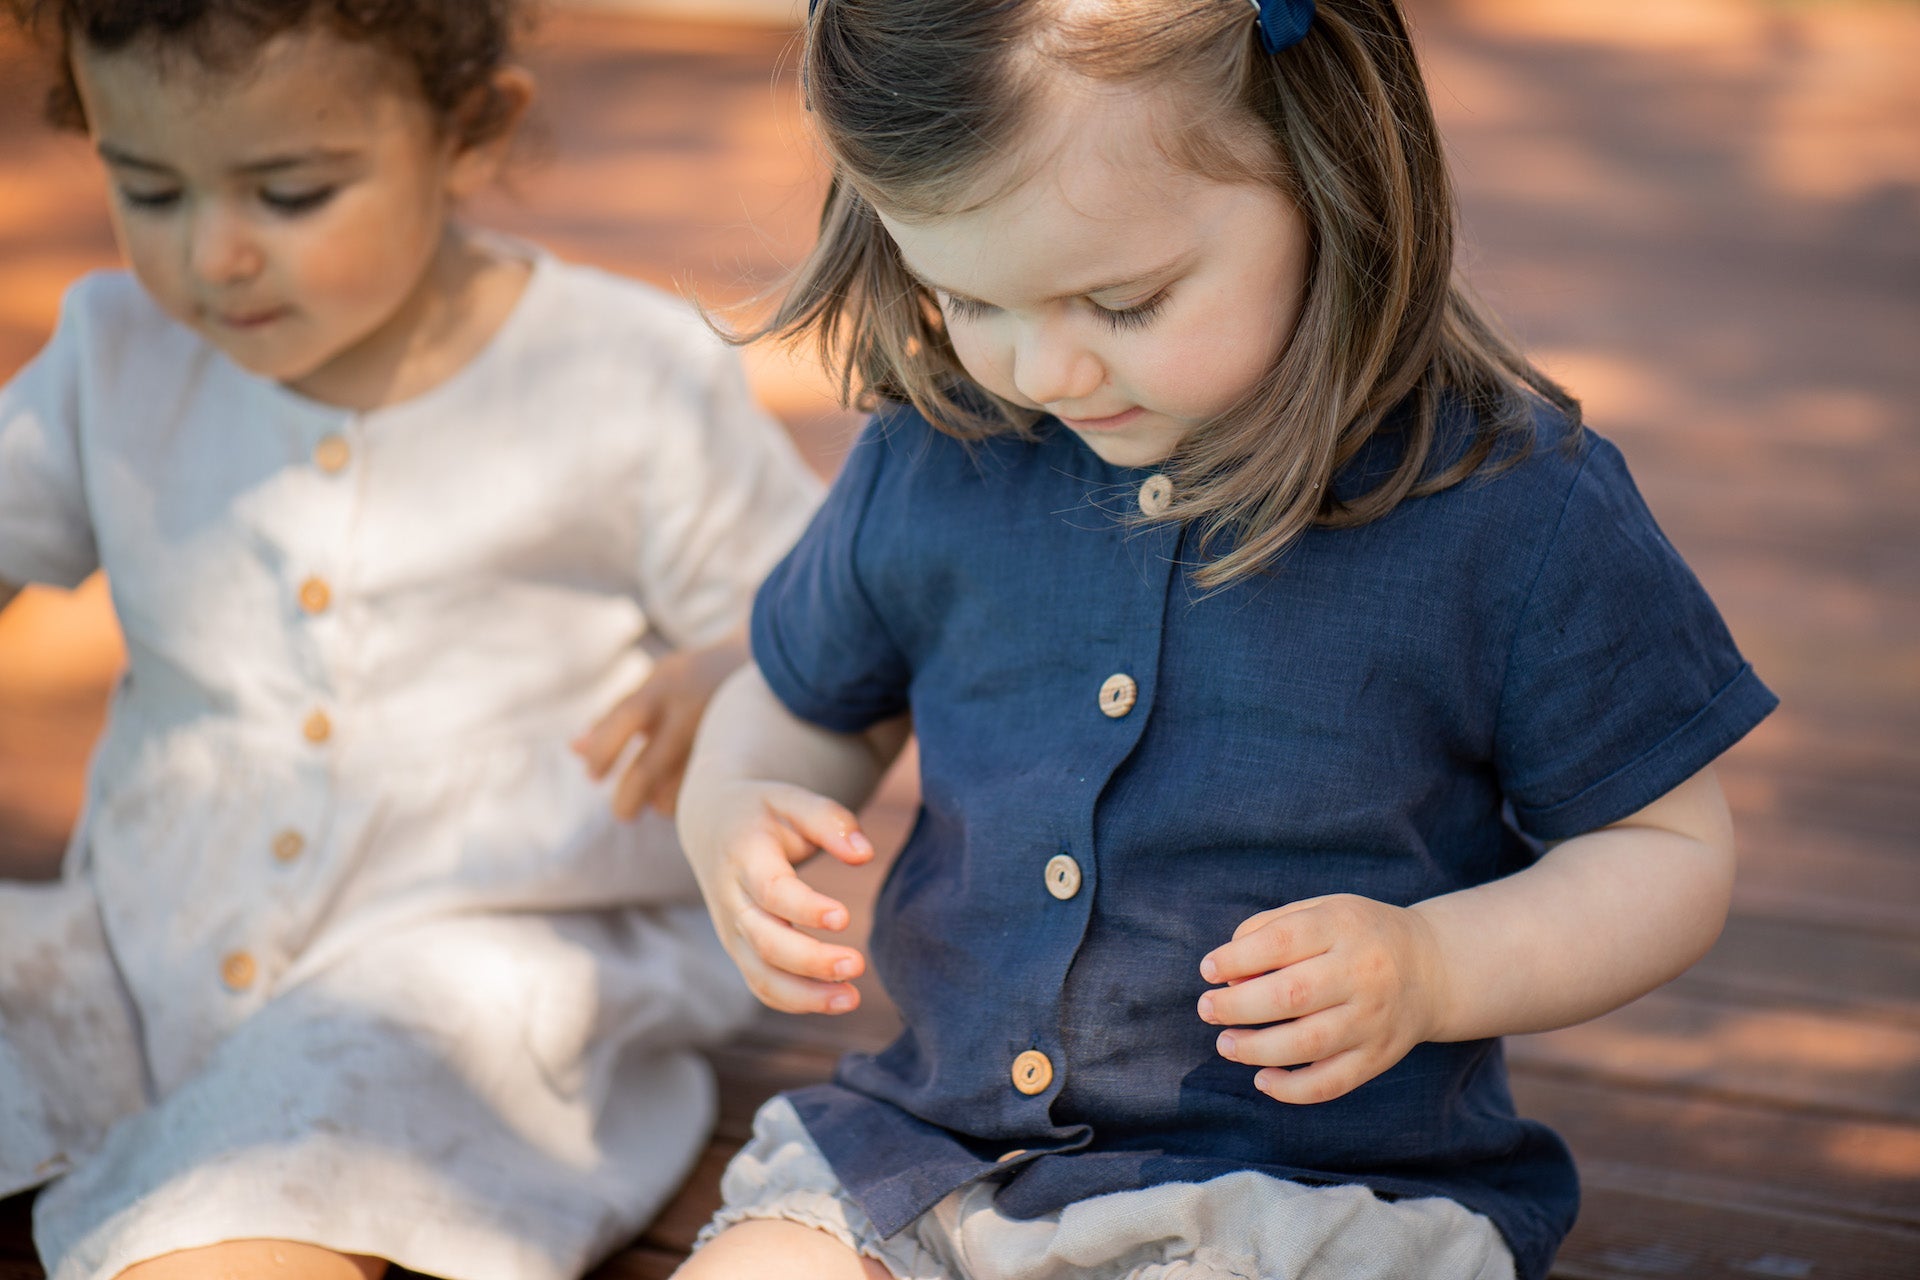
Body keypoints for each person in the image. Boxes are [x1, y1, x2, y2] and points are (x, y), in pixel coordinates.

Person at [670, 2, 1779, 1278]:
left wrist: (1434, 964)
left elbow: (1665, 848)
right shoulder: (941, 448)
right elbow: (810, 701)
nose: (1046, 368)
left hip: (1308, 1201)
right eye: (967, 294)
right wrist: (734, 804)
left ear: (1328, 173)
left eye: (1123, 302)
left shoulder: (1509, 504)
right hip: (930, 1156)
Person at [0, 2, 822, 1277]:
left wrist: (732, 666)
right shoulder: (120, 355)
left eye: (290, 193)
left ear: (466, 130)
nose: (213, 255)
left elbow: (829, 616)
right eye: (149, 189)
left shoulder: (621, 376)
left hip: (481, 963)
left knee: (304, 1143)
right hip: (140, 937)